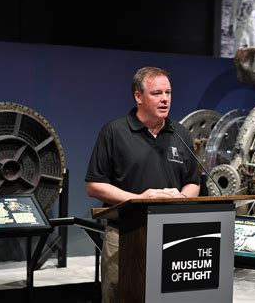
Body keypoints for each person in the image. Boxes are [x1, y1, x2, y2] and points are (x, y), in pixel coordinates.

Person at [85, 66, 200, 303]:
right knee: (120, 296)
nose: (165, 99)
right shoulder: (114, 132)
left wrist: (182, 196)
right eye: (157, 93)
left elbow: (192, 182)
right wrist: (139, 199)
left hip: (172, 235)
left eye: (168, 92)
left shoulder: (180, 134)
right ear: (138, 96)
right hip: (124, 234)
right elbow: (94, 185)